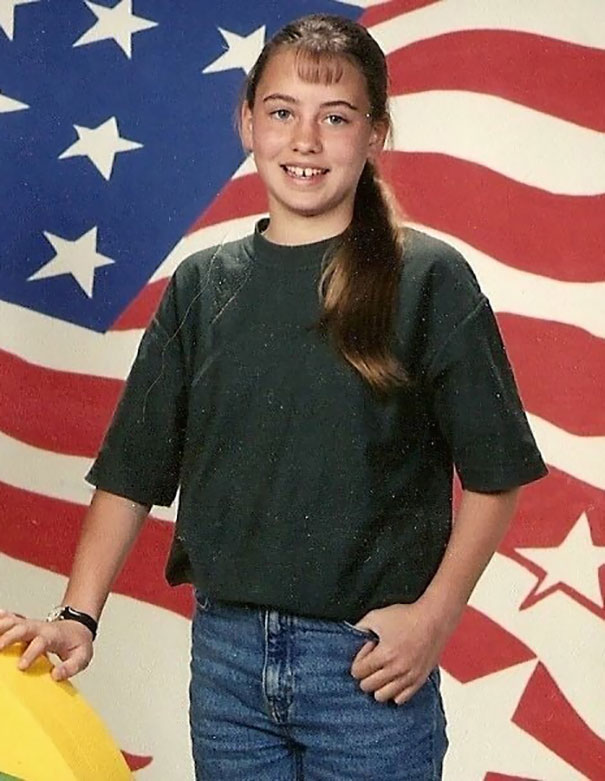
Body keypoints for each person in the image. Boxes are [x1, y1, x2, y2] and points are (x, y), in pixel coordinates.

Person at [0, 13, 547, 780]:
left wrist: (434, 617)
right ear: (247, 122)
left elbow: (497, 475)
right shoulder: (201, 286)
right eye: (282, 112)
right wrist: (77, 614)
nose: (305, 140)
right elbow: (132, 469)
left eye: (336, 118)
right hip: (226, 665)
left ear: (375, 133)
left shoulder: (426, 278)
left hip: (364, 670)